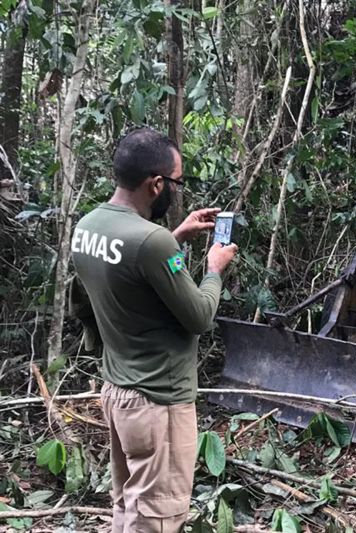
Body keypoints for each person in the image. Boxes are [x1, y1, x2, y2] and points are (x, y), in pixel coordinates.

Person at [71, 127, 238, 532]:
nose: (175, 193)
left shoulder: (89, 226)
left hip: (118, 392)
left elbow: (86, 303)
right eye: (176, 183)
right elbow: (199, 316)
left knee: (129, 506)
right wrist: (214, 270)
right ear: (156, 183)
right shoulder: (151, 242)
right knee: (156, 517)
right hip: (157, 401)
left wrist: (174, 237)